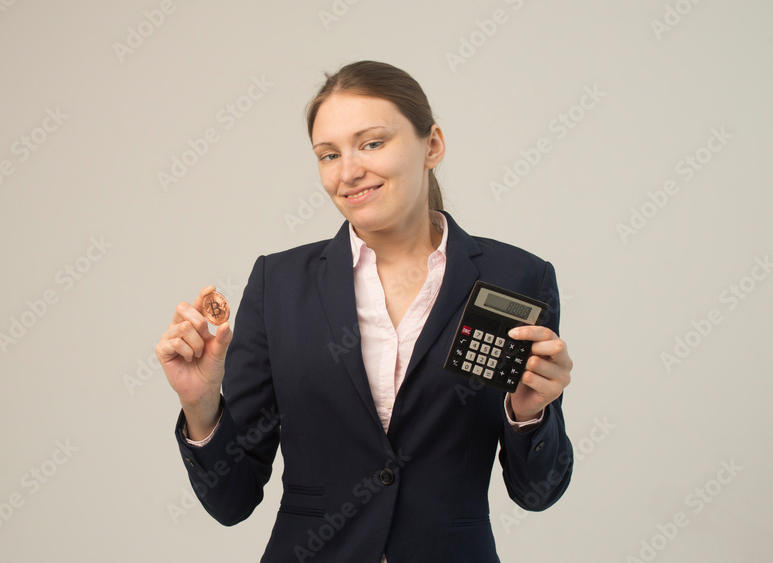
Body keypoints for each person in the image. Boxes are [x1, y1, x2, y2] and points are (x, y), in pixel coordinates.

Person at [157, 60, 574, 562]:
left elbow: (536, 493)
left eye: (372, 143)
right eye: (329, 155)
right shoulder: (278, 285)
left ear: (432, 145)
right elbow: (232, 500)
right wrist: (201, 404)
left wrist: (530, 414)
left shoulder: (517, 278)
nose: (348, 171)